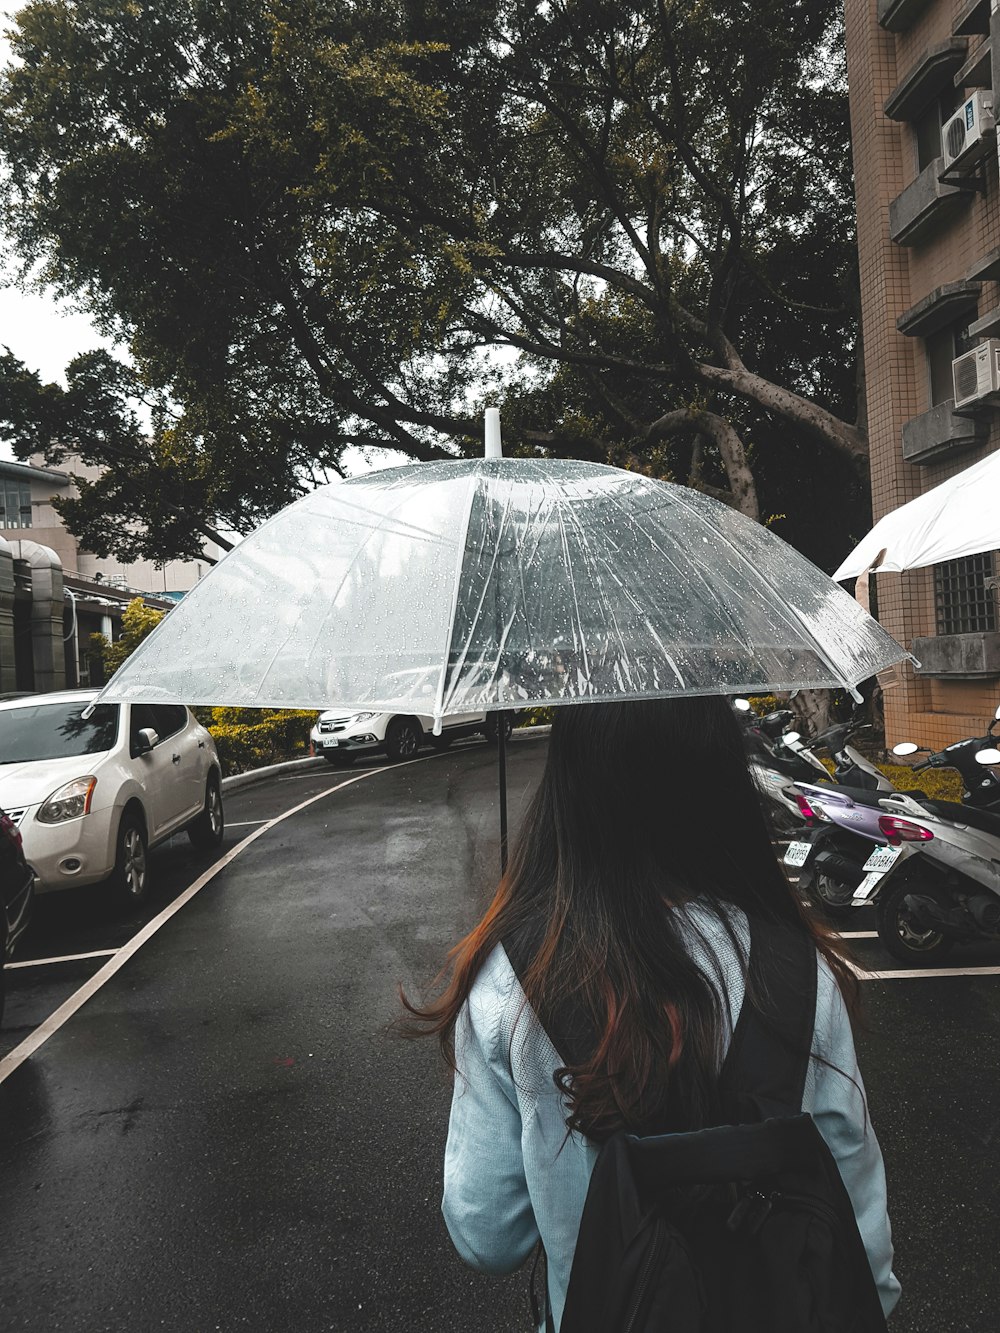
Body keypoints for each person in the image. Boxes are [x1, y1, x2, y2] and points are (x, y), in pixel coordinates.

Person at [402, 696, 900, 1328]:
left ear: (570, 786)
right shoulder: (795, 965)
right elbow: (853, 1198)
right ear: (722, 779)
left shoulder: (511, 981)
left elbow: (487, 1236)